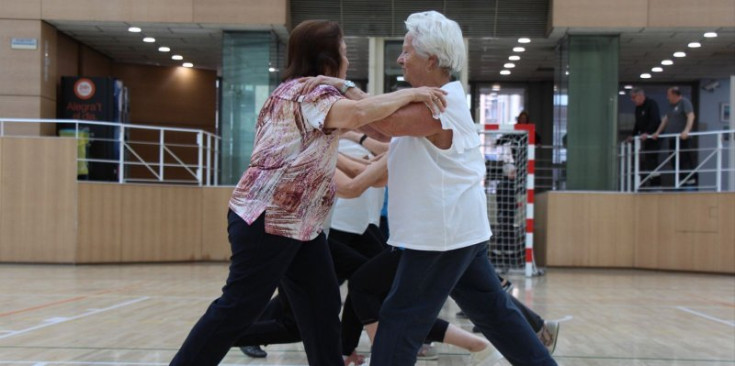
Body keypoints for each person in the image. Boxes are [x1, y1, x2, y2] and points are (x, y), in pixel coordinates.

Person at [169, 19, 447, 366]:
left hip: (300, 224)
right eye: (343, 54)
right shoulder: (307, 92)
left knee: (321, 303)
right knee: (239, 307)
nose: (347, 61)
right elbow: (362, 113)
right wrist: (412, 92)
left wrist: (355, 93)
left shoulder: (309, 92)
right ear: (327, 59)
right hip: (268, 218)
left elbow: (375, 126)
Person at [357, 11, 556, 365]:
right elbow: (379, 130)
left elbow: (382, 122)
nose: (400, 59)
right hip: (459, 230)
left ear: (431, 59)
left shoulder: (440, 104)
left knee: (400, 320)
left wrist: (338, 90)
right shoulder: (431, 99)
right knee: (495, 314)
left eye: (406, 52)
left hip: (441, 235)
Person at [652, 86, 696, 187]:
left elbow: (691, 116)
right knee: (674, 159)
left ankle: (689, 180)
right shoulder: (670, 105)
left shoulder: (684, 102)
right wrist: (658, 132)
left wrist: (686, 131)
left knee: (684, 158)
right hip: (673, 138)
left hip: (683, 138)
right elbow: (666, 119)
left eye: (669, 95)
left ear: (675, 95)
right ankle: (680, 179)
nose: (667, 97)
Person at [626, 88, 662, 187]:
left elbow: (655, 120)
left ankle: (656, 184)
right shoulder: (638, 108)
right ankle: (646, 184)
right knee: (646, 161)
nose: (632, 100)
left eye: (634, 97)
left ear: (641, 96)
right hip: (645, 139)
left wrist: (648, 133)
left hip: (654, 137)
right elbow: (638, 124)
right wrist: (633, 135)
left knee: (652, 159)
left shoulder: (651, 104)